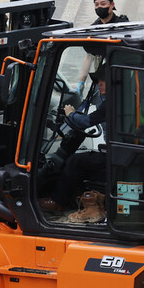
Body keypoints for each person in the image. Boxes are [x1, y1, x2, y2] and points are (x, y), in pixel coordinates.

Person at [41, 66, 108, 221]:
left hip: (118, 156)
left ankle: (57, 202)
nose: (100, 84)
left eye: (104, 80)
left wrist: (71, 114)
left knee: (75, 161)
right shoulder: (120, 99)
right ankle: (79, 200)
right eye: (99, 80)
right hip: (119, 153)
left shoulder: (111, 103)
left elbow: (86, 121)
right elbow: (86, 112)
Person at [76, 0, 131, 94]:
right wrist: (81, 81)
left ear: (112, 5)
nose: (99, 7)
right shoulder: (93, 29)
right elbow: (89, 57)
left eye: (103, 3)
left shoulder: (122, 26)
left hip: (122, 78)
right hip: (102, 80)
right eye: (96, 5)